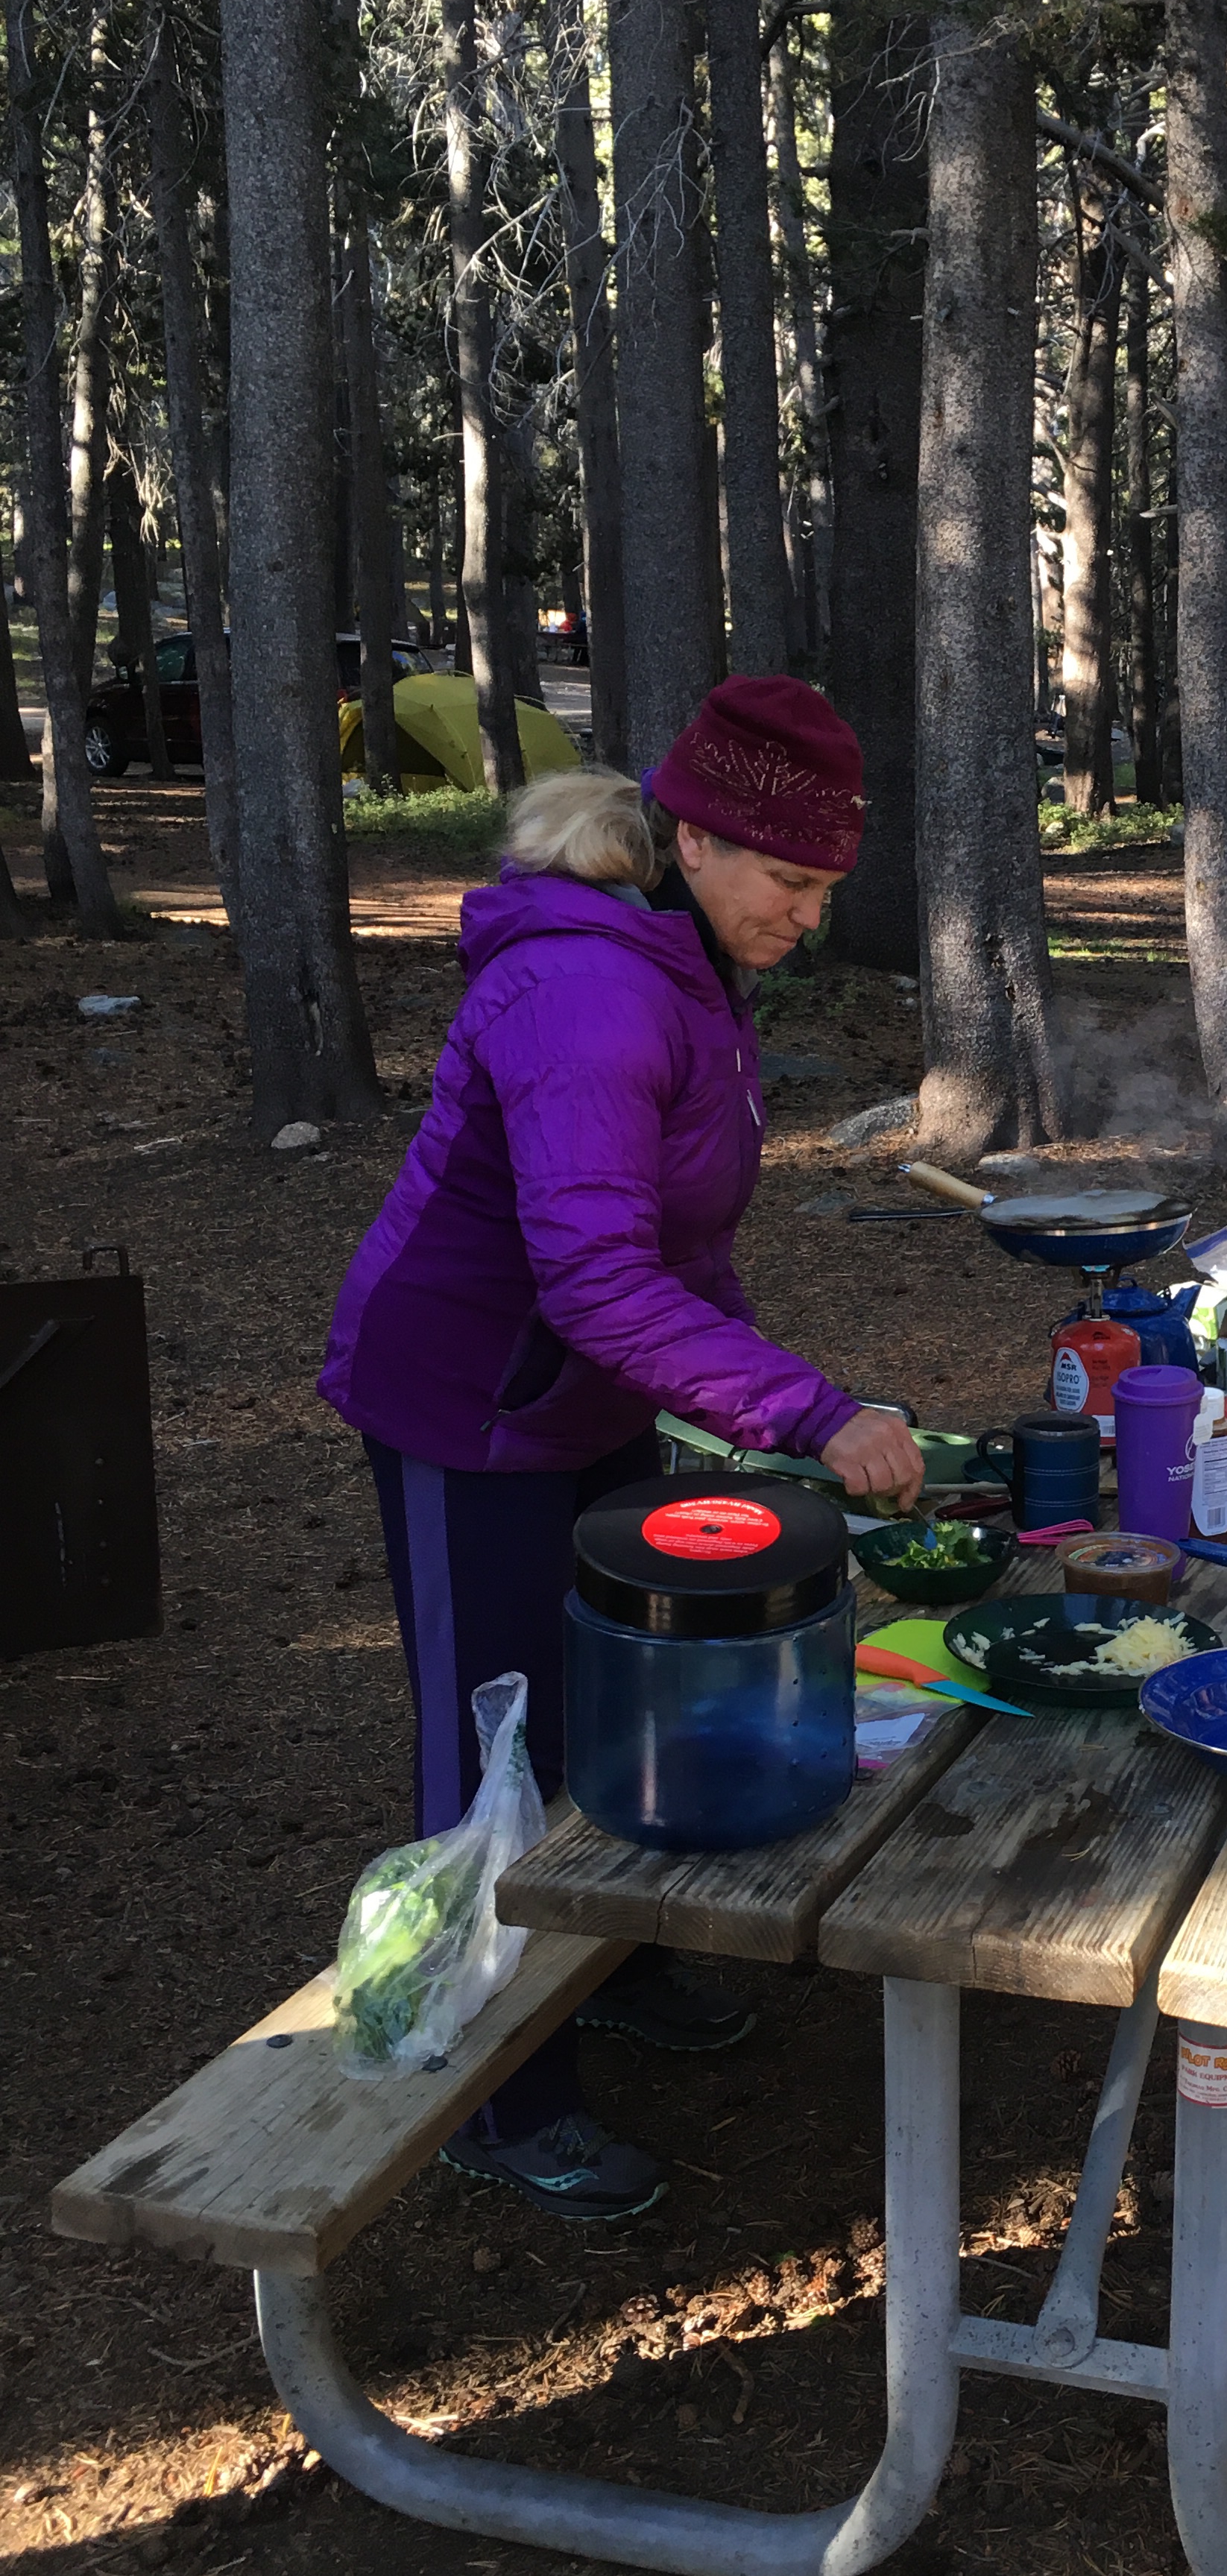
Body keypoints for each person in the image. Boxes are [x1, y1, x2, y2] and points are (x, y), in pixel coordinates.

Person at [321, 675, 923, 2221]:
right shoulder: (591, 987)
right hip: (471, 1402)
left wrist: (769, 1396)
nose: (808, 917)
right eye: (789, 880)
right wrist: (804, 1412)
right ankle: (495, 2093)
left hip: (588, 1392)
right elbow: (594, 1277)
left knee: (618, 1702)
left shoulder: (692, 958)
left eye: (826, 888)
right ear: (697, 840)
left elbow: (683, 1243)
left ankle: (612, 1968)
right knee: (493, 1746)